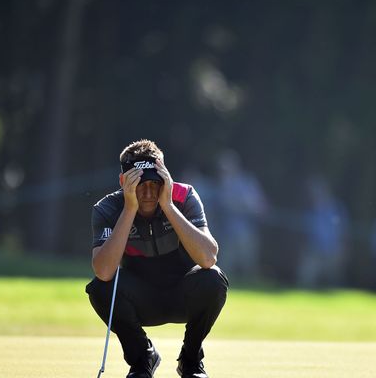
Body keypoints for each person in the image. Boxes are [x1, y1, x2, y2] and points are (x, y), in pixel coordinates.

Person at [86, 139, 229, 378]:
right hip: (141, 300)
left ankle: (191, 361)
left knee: (213, 280)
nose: (150, 193)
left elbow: (208, 257)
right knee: (100, 289)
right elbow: (104, 271)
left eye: (155, 183)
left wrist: (169, 205)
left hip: (183, 295)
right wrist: (129, 209)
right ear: (124, 182)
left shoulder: (184, 196)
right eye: (140, 184)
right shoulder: (108, 208)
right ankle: (143, 359)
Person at [214, 149, 267, 281]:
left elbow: (260, 206)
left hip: (245, 232)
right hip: (225, 234)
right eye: (222, 168)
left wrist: (243, 206)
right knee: (224, 269)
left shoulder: (247, 182)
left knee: (248, 266)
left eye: (226, 167)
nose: (223, 171)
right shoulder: (221, 185)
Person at [297, 175, 348, 288]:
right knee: (305, 281)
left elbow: (343, 231)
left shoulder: (336, 208)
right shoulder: (309, 209)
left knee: (333, 283)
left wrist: (343, 250)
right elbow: (304, 233)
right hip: (313, 251)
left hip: (333, 251)